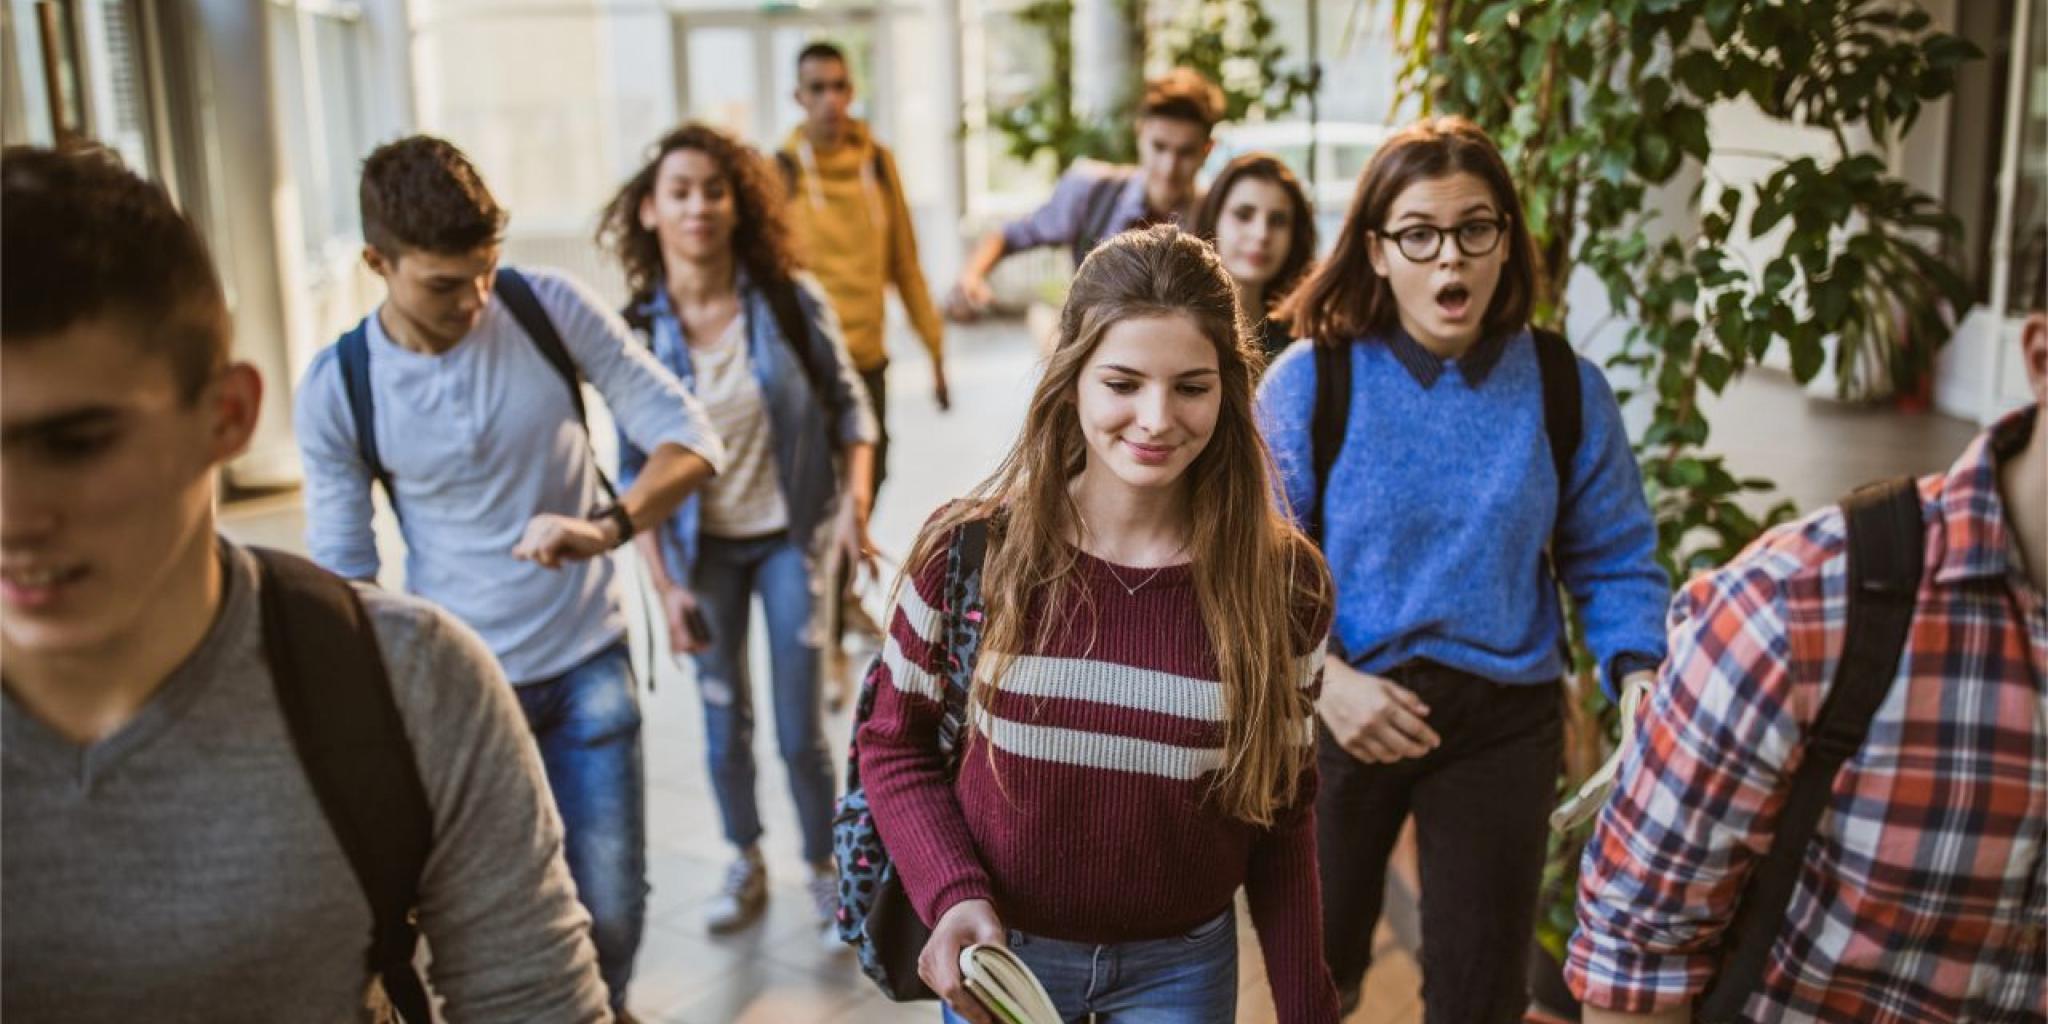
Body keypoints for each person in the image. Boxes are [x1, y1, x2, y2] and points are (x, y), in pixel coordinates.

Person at [1, 145, 611, 1021]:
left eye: (77, 442)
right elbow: (345, 548)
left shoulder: (411, 687)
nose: (15, 514)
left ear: (227, 417)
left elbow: (535, 1002)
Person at [862, 224, 1341, 1024]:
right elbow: (894, 741)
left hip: (1181, 970)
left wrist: (1308, 1007)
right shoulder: (968, 550)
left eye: (1191, 386)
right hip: (1006, 961)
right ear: (1072, 378)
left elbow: (1281, 811)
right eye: (1123, 383)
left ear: (1227, 390)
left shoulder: (1284, 585)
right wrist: (952, 894)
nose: (1156, 420)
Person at [295, 135, 725, 1015]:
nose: (475, 299)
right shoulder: (341, 385)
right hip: (456, 692)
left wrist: (604, 529)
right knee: (480, 929)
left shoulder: (546, 307)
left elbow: (691, 436)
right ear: (378, 263)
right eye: (444, 285)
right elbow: (348, 582)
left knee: (608, 913)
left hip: (587, 662)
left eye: (486, 271)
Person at [1254, 116, 1670, 1021]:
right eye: (1420, 235)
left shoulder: (1563, 386)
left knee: (1480, 996)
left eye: (1476, 230)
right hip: (1339, 713)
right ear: (1376, 249)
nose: (1452, 261)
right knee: (1313, 980)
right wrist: (1323, 684)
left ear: (1507, 239)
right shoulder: (1307, 385)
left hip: (1500, 722)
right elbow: (1246, 568)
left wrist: (1639, 672)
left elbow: (1616, 554)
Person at [1565, 298, 2048, 1022]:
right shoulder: (1794, 609)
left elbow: (1611, 555)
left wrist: (1631, 664)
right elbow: (1635, 956)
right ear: (2040, 356)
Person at [597, 122, 879, 942]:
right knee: (725, 720)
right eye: (679, 191)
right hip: (702, 551)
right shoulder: (635, 332)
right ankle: (743, 856)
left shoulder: (789, 300)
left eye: (714, 190)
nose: (698, 207)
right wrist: (665, 585)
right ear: (649, 210)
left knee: (798, 728)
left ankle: (826, 874)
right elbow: (633, 471)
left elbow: (852, 410)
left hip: (792, 538)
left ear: (738, 204)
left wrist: (854, 512)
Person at [780, 40, 949, 496]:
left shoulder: (876, 163)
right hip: (805, 362)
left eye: (838, 87)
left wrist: (935, 350)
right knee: (812, 490)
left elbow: (904, 263)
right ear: (799, 97)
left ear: (852, 91)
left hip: (866, 358)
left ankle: (838, 565)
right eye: (816, 88)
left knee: (871, 475)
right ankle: (829, 566)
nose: (829, 100)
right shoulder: (780, 171)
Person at [944, 69, 1223, 320]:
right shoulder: (1092, 193)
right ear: (1140, 133)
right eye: (1159, 147)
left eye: (1185, 152)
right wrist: (971, 277)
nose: (1169, 167)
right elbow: (1010, 235)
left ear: (1207, 150)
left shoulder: (1222, 216)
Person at [1193, 152, 1317, 359]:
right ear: (1213, 219)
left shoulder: (1305, 342)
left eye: (1278, 221)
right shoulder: (1177, 322)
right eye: (1243, 215)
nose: (1261, 234)